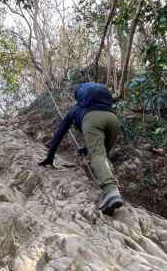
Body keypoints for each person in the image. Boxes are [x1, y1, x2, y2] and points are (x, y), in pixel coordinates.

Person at [39, 82, 122, 215]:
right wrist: (85, 148)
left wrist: (50, 157)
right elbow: (98, 142)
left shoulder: (75, 110)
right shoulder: (104, 105)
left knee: (98, 156)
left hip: (93, 120)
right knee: (102, 155)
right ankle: (112, 184)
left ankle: (111, 191)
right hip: (113, 119)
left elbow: (59, 135)